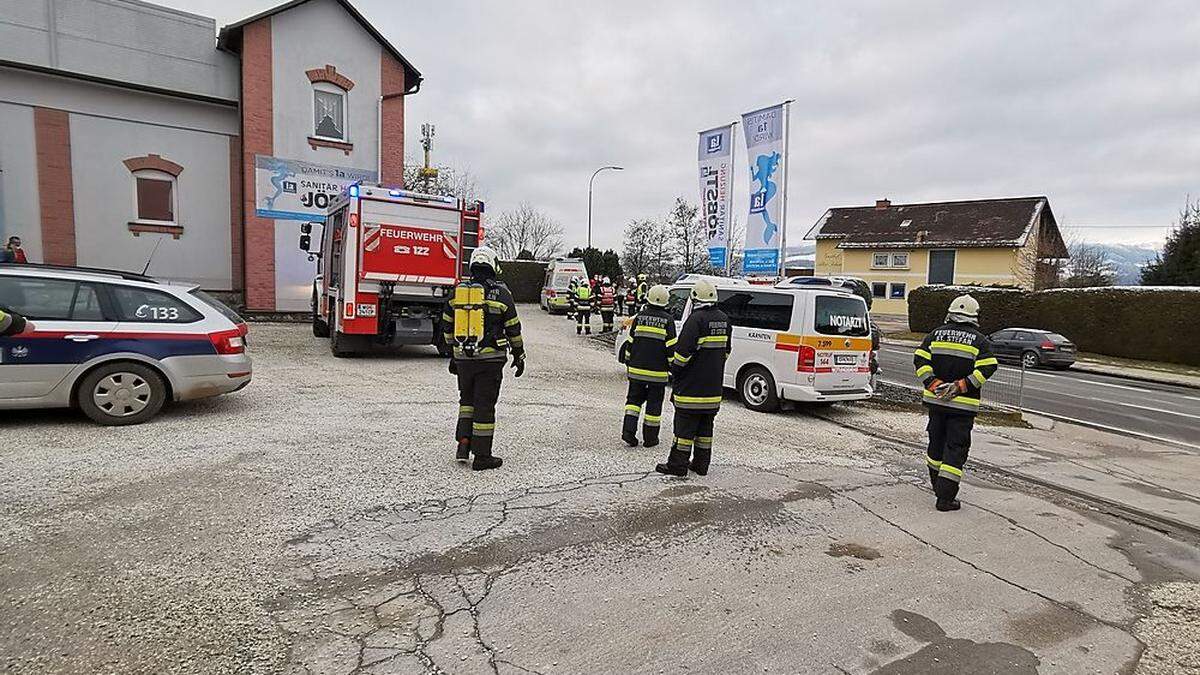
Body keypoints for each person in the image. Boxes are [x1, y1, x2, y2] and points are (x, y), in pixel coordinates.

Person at [440, 246, 525, 471]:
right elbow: (513, 328)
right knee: (485, 406)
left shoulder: (457, 293)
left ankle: (463, 443)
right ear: (493, 265)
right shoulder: (502, 294)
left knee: (466, 401)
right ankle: (483, 456)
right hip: (490, 361)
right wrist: (519, 355)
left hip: (463, 359)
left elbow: (447, 326)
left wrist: (453, 354)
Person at [912, 294, 998, 511]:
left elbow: (920, 360)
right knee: (955, 449)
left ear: (950, 313)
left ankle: (937, 485)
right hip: (962, 407)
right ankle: (945, 498)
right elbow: (989, 367)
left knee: (936, 444)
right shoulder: (979, 340)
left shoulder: (934, 335)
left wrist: (933, 383)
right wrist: (962, 386)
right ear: (974, 315)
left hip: (936, 403)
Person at [656, 279, 730, 476]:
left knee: (684, 431)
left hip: (691, 389)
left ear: (695, 299)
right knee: (705, 431)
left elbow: (681, 356)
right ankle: (701, 465)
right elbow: (726, 352)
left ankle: (677, 466)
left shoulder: (695, 320)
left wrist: (675, 372)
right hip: (713, 390)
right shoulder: (724, 319)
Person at [619, 285, 676, 448]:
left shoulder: (639, 317)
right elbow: (671, 348)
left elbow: (630, 343)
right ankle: (650, 439)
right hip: (657, 374)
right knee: (654, 405)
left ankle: (628, 432)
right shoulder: (668, 320)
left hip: (636, 371)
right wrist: (673, 367)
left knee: (633, 402)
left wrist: (629, 362)